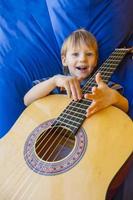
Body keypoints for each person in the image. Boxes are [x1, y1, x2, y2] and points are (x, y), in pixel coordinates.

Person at [24, 29, 128, 118]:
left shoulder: (102, 86)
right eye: (75, 54)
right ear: (64, 60)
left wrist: (114, 97)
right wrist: (54, 81)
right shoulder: (56, 84)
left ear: (96, 61)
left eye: (89, 54)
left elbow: (125, 107)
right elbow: (27, 100)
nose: (83, 59)